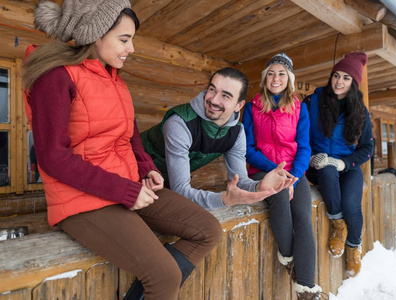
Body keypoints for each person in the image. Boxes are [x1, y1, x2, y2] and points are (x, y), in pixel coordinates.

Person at [22, 1, 222, 299]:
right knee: (165, 276)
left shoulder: (116, 81)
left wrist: (146, 168)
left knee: (208, 230)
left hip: (126, 187)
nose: (131, 49)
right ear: (96, 34)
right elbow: (52, 157)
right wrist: (124, 191)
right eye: (124, 39)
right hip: (81, 201)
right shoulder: (56, 76)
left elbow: (130, 137)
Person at [140, 67, 296, 209]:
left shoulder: (236, 132)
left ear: (238, 105)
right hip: (135, 170)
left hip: (164, 182)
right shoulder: (180, 123)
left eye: (226, 96)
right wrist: (224, 199)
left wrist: (260, 186)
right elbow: (180, 189)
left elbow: (240, 180)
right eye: (212, 89)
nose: (213, 100)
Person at [242, 53, 324, 300]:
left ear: (289, 79)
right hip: (262, 168)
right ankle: (289, 259)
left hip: (294, 171)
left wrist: (294, 176)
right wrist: (274, 171)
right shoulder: (251, 107)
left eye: (281, 73)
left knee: (303, 217)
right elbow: (247, 147)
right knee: (278, 198)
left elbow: (304, 147)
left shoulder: (300, 109)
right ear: (265, 77)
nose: (275, 78)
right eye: (271, 73)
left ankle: (307, 289)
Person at [304, 52, 374, 278]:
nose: (339, 81)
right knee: (326, 168)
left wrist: (343, 163)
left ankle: (353, 246)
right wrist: (311, 157)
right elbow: (300, 137)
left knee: (352, 205)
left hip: (347, 166)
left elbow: (367, 148)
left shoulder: (360, 112)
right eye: (336, 75)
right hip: (319, 167)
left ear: (353, 83)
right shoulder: (312, 102)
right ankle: (338, 224)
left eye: (346, 77)